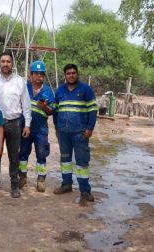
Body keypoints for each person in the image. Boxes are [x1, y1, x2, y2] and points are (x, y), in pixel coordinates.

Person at [0, 52, 31, 198]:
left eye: (8, 62)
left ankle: (14, 185)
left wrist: (27, 124)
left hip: (14, 124)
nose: (5, 64)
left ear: (12, 64)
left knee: (14, 156)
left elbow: (26, 104)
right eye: (3, 61)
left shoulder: (19, 81)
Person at [53, 64, 97, 206]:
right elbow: (56, 111)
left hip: (80, 133)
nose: (71, 75)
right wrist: (57, 127)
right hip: (63, 132)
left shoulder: (86, 89)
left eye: (73, 73)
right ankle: (66, 185)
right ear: (64, 75)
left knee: (82, 162)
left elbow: (93, 110)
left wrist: (90, 128)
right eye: (68, 73)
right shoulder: (59, 90)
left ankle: (85, 191)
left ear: (77, 74)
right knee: (65, 160)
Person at [18, 60, 55, 192]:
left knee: (41, 154)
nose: (39, 76)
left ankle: (41, 180)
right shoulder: (24, 88)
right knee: (22, 153)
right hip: (24, 128)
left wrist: (45, 107)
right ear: (30, 74)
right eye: (36, 73)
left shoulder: (48, 91)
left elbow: (52, 111)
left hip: (40, 130)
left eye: (41, 74)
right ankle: (22, 177)